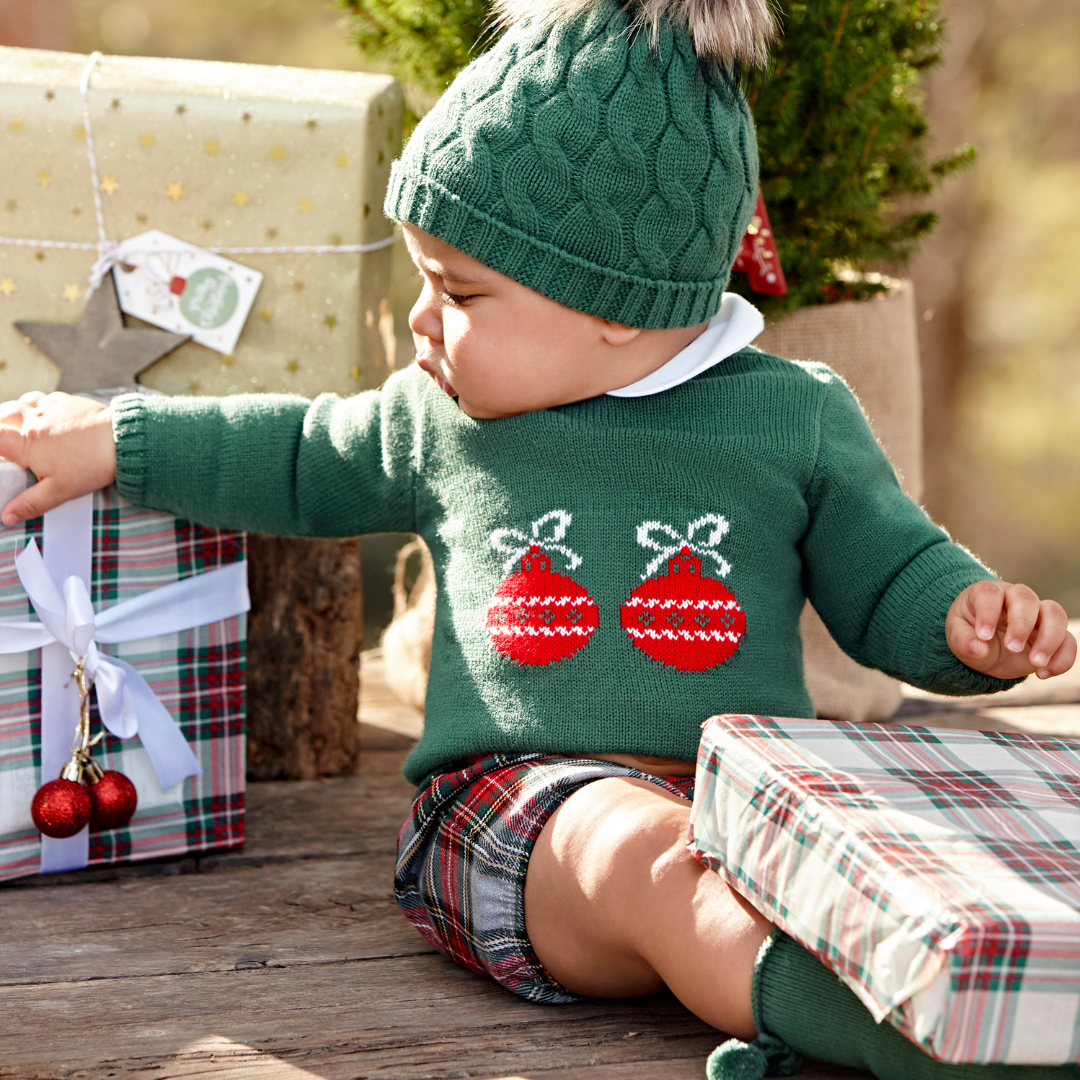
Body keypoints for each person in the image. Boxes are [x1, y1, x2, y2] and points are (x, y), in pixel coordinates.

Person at [0, 1, 1075, 1076]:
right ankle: (912, 1049)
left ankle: (968, 1019)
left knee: (843, 875)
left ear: (613, 299)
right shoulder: (442, 418)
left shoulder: (793, 414)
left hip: (749, 803)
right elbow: (291, 452)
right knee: (648, 857)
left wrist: (962, 621)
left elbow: (887, 573)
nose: (422, 319)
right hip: (513, 816)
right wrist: (116, 438)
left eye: (458, 290)